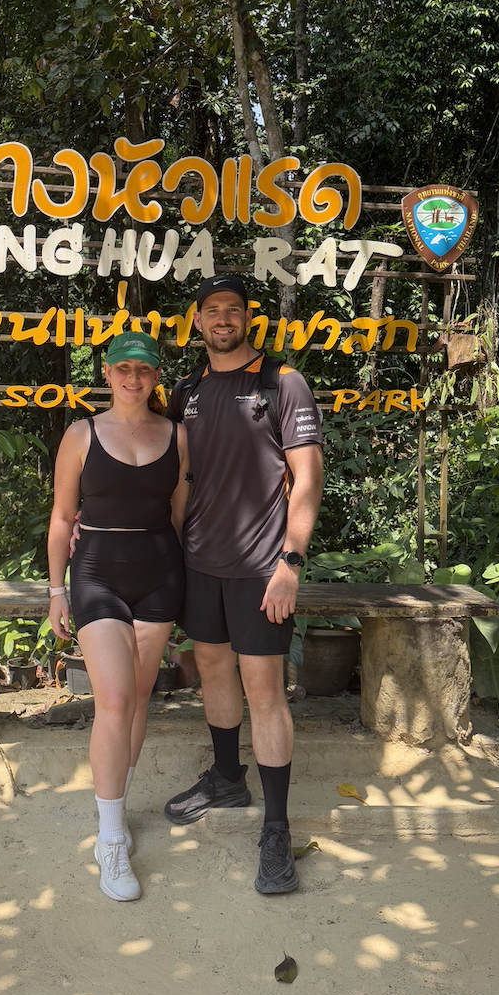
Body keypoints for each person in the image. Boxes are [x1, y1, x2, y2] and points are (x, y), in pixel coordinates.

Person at [163, 274, 323, 894]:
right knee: (211, 669)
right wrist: (170, 551)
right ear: (197, 321)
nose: (223, 318)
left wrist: (290, 564)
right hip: (200, 564)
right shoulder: (187, 391)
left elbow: (306, 478)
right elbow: (181, 478)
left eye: (233, 309)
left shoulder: (282, 383)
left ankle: (276, 829)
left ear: (248, 318)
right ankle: (228, 778)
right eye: (212, 310)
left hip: (263, 570)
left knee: (265, 691)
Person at [47, 331, 189, 903]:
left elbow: (179, 517)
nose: (134, 378)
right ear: (106, 373)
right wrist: (56, 590)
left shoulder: (178, 436)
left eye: (145, 370)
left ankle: (118, 807)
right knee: (113, 698)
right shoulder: (80, 434)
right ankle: (109, 840)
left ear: (156, 377)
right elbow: (62, 518)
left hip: (159, 573)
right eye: (124, 368)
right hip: (97, 573)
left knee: (138, 697)